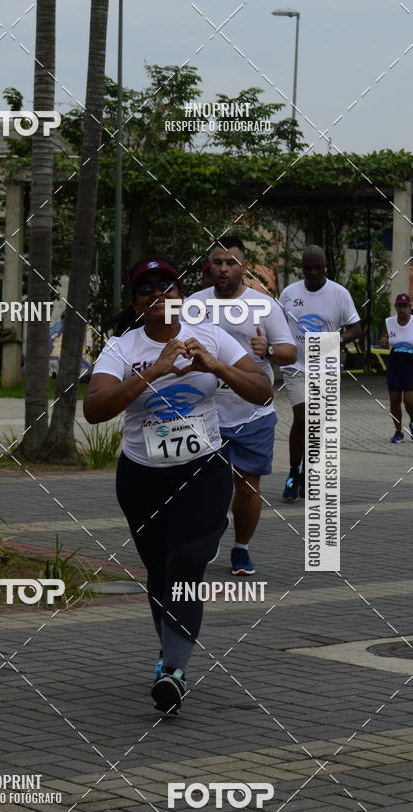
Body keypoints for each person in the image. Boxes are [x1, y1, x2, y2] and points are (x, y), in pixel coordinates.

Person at [84, 257, 272, 715]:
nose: (158, 295)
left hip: (203, 468)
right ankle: (171, 656)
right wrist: (156, 370)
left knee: (186, 562)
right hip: (141, 476)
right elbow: (94, 409)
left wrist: (216, 366)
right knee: (159, 573)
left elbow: (262, 389)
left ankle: (173, 672)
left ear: (180, 296)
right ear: (136, 303)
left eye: (166, 286)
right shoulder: (122, 348)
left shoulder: (209, 334)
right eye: (146, 289)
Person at [184, 238, 297, 576]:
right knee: (204, 485)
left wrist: (269, 351)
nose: (223, 268)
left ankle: (241, 548)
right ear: (210, 266)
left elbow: (291, 351)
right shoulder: (193, 304)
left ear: (243, 268)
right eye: (217, 262)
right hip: (205, 410)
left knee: (247, 486)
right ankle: (213, 529)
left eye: (231, 262)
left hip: (251, 411)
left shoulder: (264, 305)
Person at [279, 245, 362, 501]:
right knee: (303, 417)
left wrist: (337, 339)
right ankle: (293, 472)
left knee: (316, 424)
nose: (314, 272)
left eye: (319, 267)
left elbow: (355, 328)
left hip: (326, 368)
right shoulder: (289, 294)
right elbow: (278, 325)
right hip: (295, 367)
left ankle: (308, 473)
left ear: (325, 266)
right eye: (309, 267)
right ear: (301, 268)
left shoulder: (339, 293)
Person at [379, 293, 413, 442]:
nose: (402, 309)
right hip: (395, 362)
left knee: (409, 401)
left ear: (410, 307)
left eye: (405, 306)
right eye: (399, 306)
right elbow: (383, 340)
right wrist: (384, 342)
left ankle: (412, 422)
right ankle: (398, 431)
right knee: (394, 400)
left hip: (411, 362)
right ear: (395, 307)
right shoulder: (389, 322)